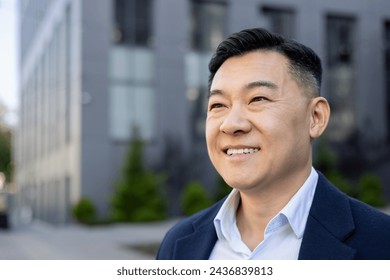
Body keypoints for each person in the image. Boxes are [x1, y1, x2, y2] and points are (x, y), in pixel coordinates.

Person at [156, 28, 390, 260]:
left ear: (316, 117)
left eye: (258, 99)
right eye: (218, 105)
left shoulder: (380, 242)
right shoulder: (178, 244)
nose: (231, 124)